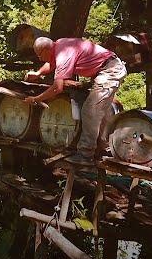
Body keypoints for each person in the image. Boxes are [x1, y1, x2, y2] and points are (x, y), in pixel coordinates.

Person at [23, 36, 127, 165]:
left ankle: (85, 155)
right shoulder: (59, 45)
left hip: (109, 71)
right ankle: (104, 148)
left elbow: (57, 88)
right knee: (101, 112)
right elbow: (50, 63)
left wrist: (36, 99)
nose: (39, 58)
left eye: (39, 55)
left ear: (45, 49)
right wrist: (38, 73)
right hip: (107, 69)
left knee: (90, 111)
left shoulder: (63, 55)